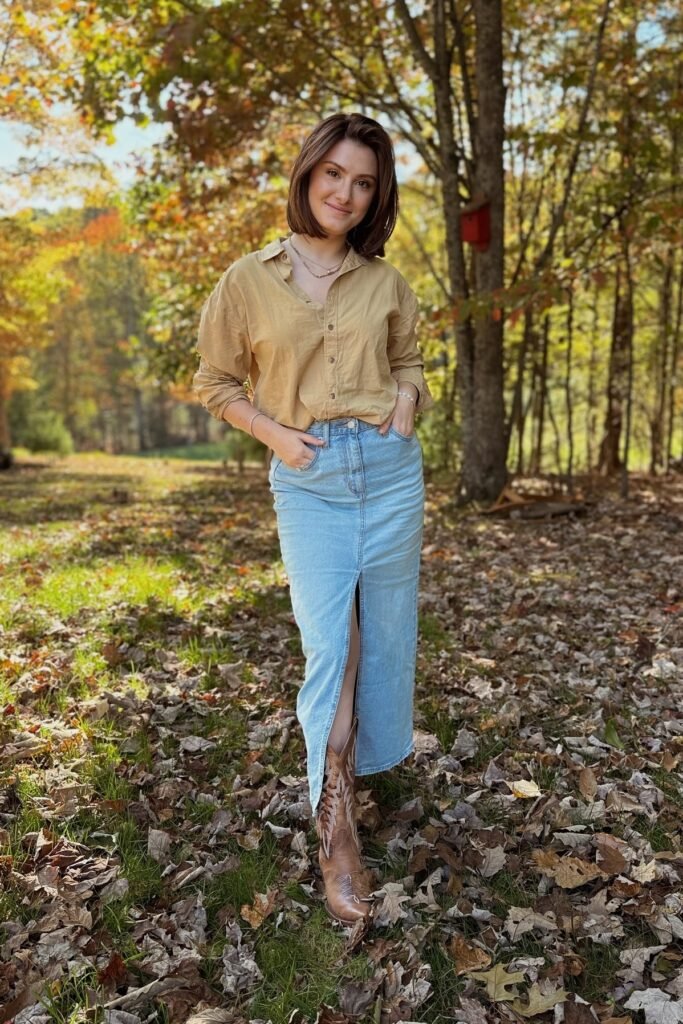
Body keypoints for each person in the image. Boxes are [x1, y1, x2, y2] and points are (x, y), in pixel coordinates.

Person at [192, 112, 434, 926]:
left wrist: (404, 402)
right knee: (330, 646)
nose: (346, 193)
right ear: (307, 174)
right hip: (310, 478)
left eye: (364, 182)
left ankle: (357, 775)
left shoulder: (384, 281)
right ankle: (334, 830)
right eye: (334, 173)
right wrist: (273, 434)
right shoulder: (246, 279)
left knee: (382, 632)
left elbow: (408, 361)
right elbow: (216, 382)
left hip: (390, 471)